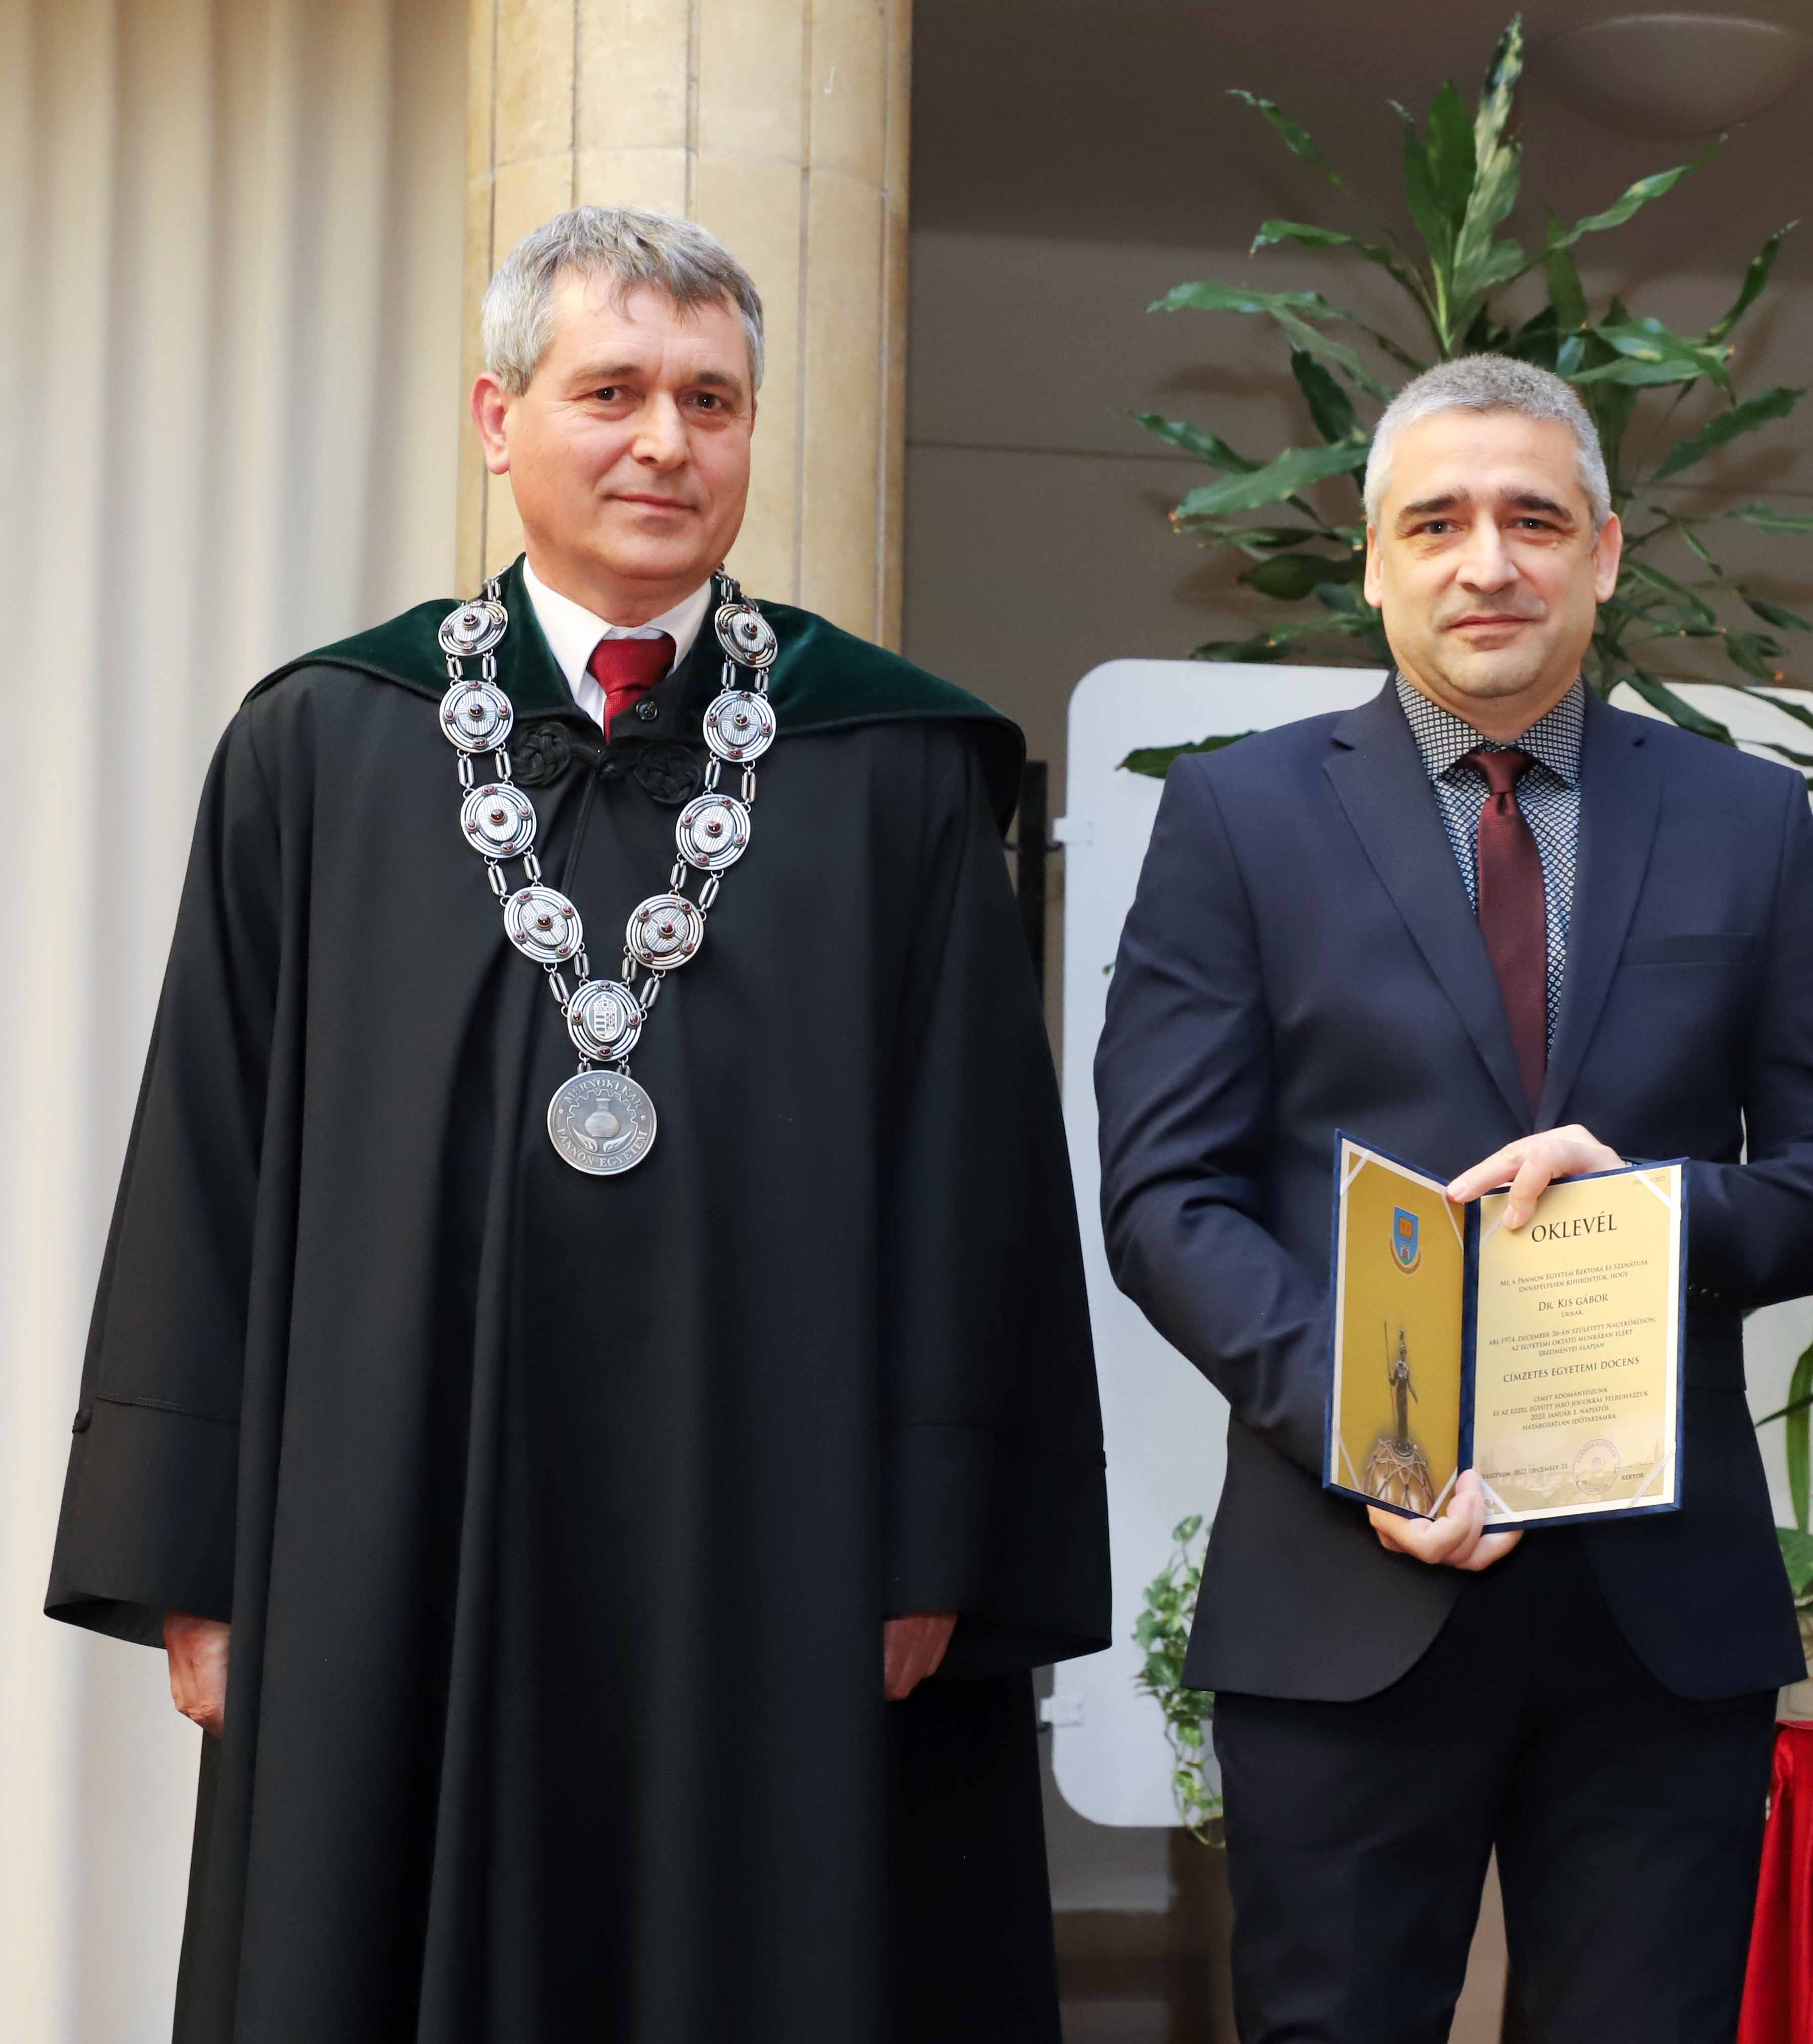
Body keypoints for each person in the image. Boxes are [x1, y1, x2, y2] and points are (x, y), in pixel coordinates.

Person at [45, 206, 1108, 2044]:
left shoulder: (897, 770)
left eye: (712, 400)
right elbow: (208, 1156)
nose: (664, 443)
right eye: (610, 392)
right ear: (498, 418)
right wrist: (192, 1562)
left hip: (784, 1540)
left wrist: (935, 1543)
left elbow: (974, 1196)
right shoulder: (321, 746)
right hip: (394, 1520)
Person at [1096, 354, 1813, 2043]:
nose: (1488, 561)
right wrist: (1373, 1438)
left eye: (1534, 520)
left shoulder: (1745, 820)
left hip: (1658, 1616)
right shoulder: (1238, 819)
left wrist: (1660, 1210)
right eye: (1438, 523)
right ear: (1374, 562)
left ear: (1604, 555)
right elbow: (1167, 1194)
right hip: (1350, 1584)